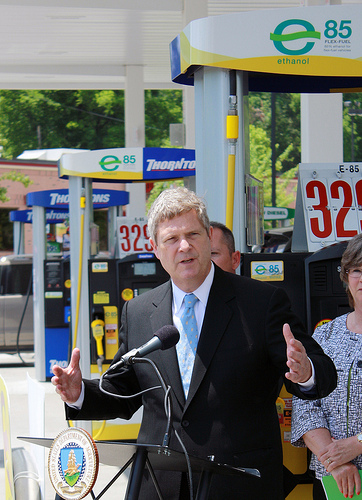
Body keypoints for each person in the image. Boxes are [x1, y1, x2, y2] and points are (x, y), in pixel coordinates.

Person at [52, 187, 337, 500]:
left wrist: (306, 371)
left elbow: (322, 372)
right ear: (156, 248)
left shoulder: (262, 302)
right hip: (161, 485)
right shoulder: (139, 311)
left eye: (193, 234)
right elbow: (123, 393)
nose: (184, 246)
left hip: (238, 484)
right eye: (172, 239)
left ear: (208, 234)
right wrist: (78, 393)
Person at [291, 233, 362, 500]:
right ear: (345, 276)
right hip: (332, 480)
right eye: (356, 270)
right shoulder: (325, 335)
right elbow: (305, 403)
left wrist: (356, 445)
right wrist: (335, 461)